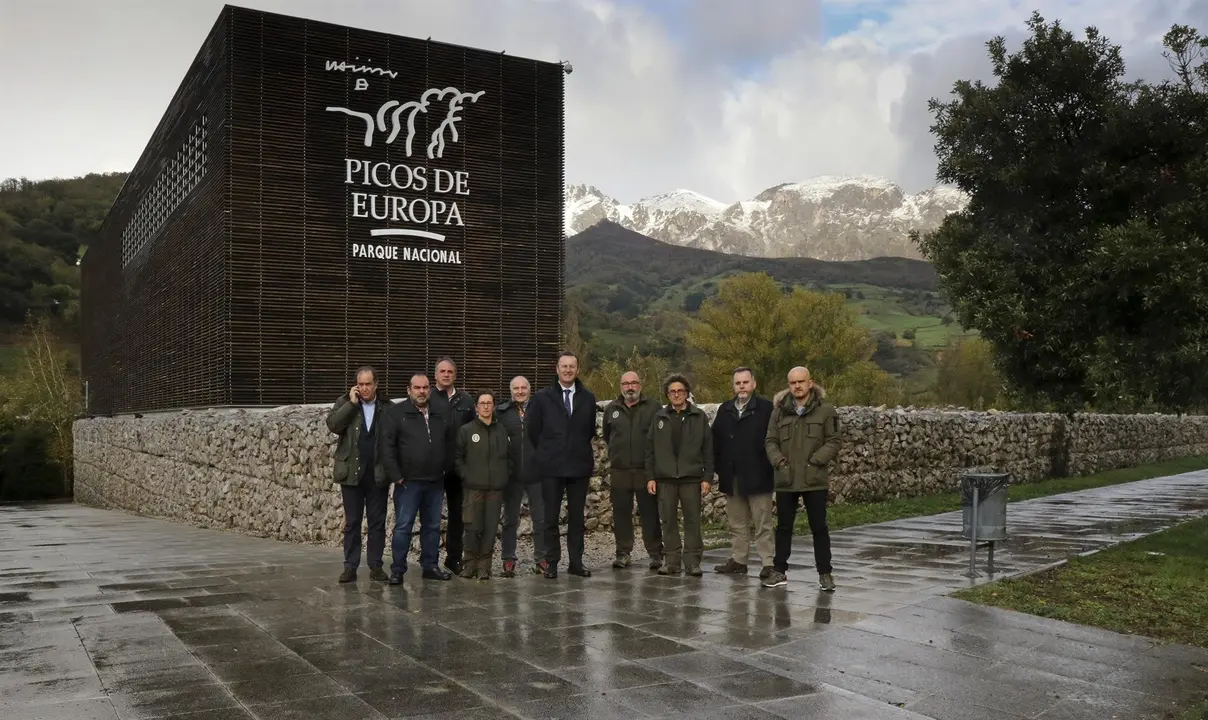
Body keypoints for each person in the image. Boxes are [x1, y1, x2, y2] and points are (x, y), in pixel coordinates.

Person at [763, 366, 841, 591]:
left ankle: (825, 573)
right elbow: (770, 441)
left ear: (810, 383)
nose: (797, 386)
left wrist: (816, 461)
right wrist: (779, 462)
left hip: (814, 478)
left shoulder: (826, 411)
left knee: (819, 527)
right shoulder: (778, 412)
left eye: (801, 382)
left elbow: (834, 440)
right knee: (784, 527)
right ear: (788, 385)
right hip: (786, 479)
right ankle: (779, 571)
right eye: (792, 382)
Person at [527, 350, 597, 579]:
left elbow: (588, 431)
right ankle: (552, 563)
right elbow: (533, 431)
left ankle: (576, 562)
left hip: (579, 466)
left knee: (577, 518)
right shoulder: (541, 398)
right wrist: (549, 451)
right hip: (551, 467)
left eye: (572, 366)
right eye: (564, 366)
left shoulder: (588, 398)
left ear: (577, 369)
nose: (568, 370)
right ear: (557, 369)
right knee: (550, 518)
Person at [382, 373, 457, 584]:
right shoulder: (396, 413)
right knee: (403, 527)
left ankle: (430, 566)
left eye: (425, 388)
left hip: (435, 481)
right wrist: (396, 476)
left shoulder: (439, 412)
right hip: (408, 483)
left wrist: (446, 468)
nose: (422, 391)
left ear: (430, 390)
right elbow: (387, 448)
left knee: (432, 526)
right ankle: (397, 570)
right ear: (409, 390)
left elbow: (450, 442)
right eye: (417, 388)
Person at [325, 366, 392, 584]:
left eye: (368, 384)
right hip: (352, 474)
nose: (364, 388)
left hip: (377, 473)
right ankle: (350, 566)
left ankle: (375, 565)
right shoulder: (345, 403)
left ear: (376, 384)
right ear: (355, 385)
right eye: (360, 384)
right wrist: (352, 405)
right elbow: (333, 425)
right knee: (353, 522)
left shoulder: (386, 407)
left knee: (377, 522)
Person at [645, 374, 713, 577]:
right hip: (665, 479)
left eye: (680, 391)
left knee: (692, 521)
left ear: (687, 393)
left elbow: (708, 449)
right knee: (668, 521)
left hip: (691, 478)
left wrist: (707, 477)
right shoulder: (658, 417)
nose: (676, 394)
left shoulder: (699, 417)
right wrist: (650, 476)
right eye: (672, 391)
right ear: (667, 394)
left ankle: (692, 562)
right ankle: (672, 561)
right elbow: (650, 450)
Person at [711, 367, 776, 579]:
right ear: (733, 386)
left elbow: (774, 440)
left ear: (753, 384)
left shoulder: (767, 409)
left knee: (762, 522)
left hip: (759, 475)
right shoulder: (725, 409)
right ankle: (739, 560)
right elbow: (716, 441)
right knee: (737, 523)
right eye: (738, 383)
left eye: (745, 382)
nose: (742, 387)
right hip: (733, 476)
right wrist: (719, 468)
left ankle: (768, 563)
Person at [602, 370, 663, 570]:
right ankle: (623, 553)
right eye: (626, 383)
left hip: (645, 471)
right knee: (621, 513)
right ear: (620, 386)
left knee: (650, 512)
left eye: (634, 383)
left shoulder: (653, 407)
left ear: (640, 385)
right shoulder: (612, 409)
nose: (630, 387)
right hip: (620, 471)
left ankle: (655, 553)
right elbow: (607, 435)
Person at [454, 390, 512, 581]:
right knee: (472, 527)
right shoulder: (467, 430)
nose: (486, 406)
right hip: (473, 488)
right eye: (482, 403)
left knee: (489, 528)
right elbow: (457, 457)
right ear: (476, 407)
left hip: (495, 488)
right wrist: (466, 476)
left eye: (489, 403)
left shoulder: (502, 430)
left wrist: (504, 475)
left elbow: (510, 457)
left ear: (494, 406)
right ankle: (469, 564)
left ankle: (484, 566)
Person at [429, 357, 475, 575]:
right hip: (434, 466)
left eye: (450, 372)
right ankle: (430, 561)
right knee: (432, 515)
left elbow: (474, 430)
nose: (446, 375)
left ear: (455, 375)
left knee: (457, 515)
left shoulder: (465, 400)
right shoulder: (427, 398)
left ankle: (453, 558)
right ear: (435, 375)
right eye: (442, 371)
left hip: (458, 467)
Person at [498, 376, 547, 576]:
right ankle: (508, 559)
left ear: (529, 389)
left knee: (541, 519)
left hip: (537, 473)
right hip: (512, 475)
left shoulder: (540, 410)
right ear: (511, 391)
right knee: (510, 519)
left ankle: (542, 559)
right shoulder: (501, 413)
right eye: (516, 388)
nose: (520, 391)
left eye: (523, 388)